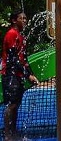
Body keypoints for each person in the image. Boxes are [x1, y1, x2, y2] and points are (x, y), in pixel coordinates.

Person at [2, 10, 39, 141]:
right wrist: (27, 76)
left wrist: (31, 74)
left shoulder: (21, 37)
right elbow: (13, 58)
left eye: (25, 18)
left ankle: (13, 131)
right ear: (14, 21)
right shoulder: (12, 34)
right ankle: (8, 134)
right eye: (21, 18)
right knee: (11, 105)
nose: (24, 21)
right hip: (10, 74)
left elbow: (24, 59)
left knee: (16, 104)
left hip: (17, 74)